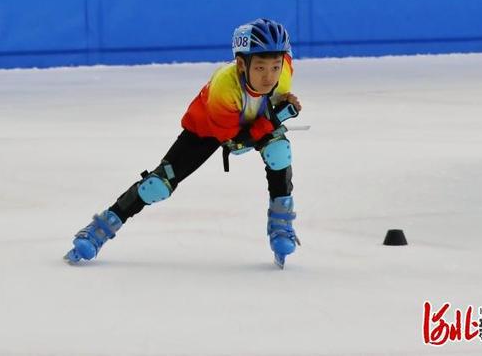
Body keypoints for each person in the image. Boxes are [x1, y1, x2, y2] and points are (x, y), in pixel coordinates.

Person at [64, 18, 303, 268]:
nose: (269, 77)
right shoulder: (224, 88)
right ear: (242, 64)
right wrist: (277, 116)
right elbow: (236, 145)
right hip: (207, 129)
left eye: (275, 67)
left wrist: (272, 117)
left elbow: (264, 119)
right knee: (157, 186)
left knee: (279, 151)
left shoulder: (283, 71)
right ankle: (100, 228)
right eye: (261, 68)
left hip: (255, 120)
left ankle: (281, 224)